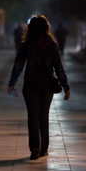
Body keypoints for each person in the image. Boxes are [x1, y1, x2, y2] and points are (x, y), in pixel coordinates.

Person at [7, 15, 70, 160]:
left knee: (32, 116)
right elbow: (59, 67)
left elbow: (18, 65)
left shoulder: (27, 45)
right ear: (47, 28)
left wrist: (12, 81)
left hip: (31, 84)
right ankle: (44, 149)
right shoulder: (53, 45)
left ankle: (35, 147)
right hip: (47, 85)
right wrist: (65, 85)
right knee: (43, 116)